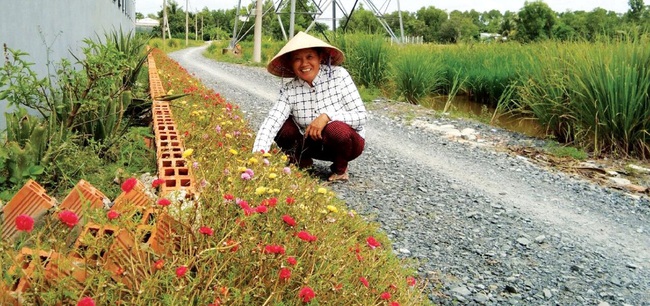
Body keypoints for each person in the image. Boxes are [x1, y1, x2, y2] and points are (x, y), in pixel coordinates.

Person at [252, 31, 367, 181]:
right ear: (291, 64)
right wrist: (257, 157)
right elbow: (272, 121)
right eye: (297, 59)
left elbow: (361, 116)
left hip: (345, 143)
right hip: (311, 144)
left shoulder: (339, 76)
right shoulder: (289, 90)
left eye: (310, 57)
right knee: (283, 126)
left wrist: (327, 117)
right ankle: (303, 163)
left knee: (336, 129)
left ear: (320, 57)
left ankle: (340, 169)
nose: (304, 64)